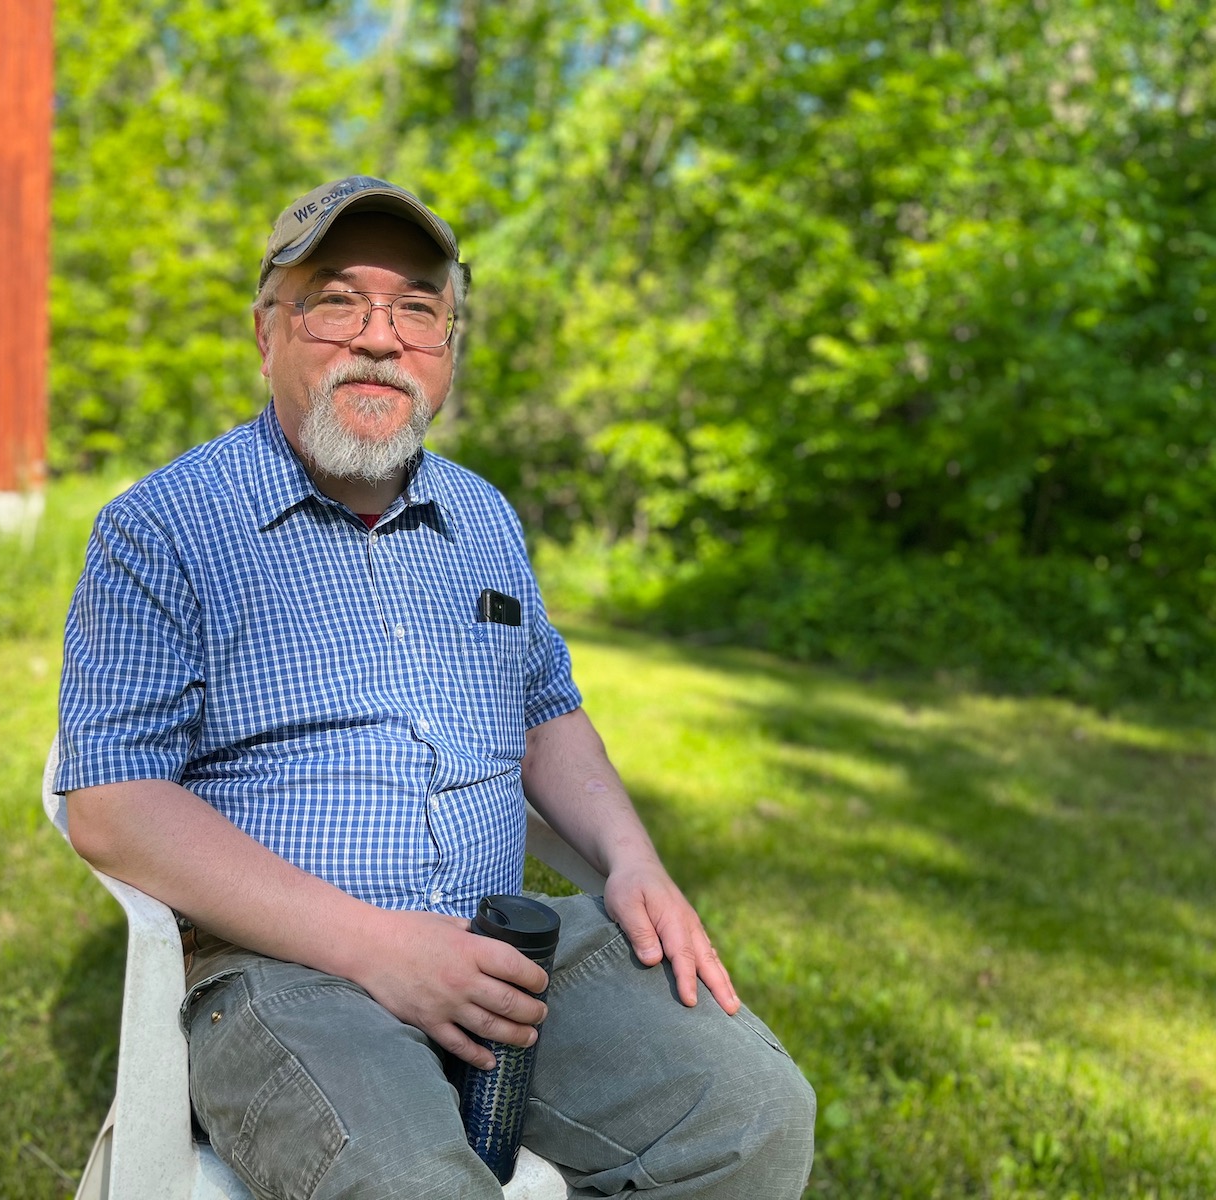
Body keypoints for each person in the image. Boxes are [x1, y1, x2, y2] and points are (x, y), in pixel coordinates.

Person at [55, 175, 815, 1199]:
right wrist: (379, 947)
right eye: (336, 298)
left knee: (750, 1117)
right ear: (266, 330)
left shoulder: (484, 519)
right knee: (413, 1185)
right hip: (291, 972)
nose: (379, 336)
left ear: (447, 347)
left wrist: (632, 862)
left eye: (417, 306)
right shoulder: (164, 528)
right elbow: (113, 807)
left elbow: (545, 710)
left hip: (506, 946)